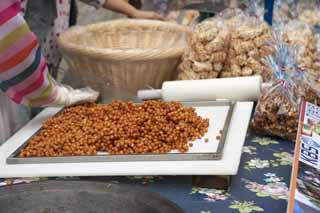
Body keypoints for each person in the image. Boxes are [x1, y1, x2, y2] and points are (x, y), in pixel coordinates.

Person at [0, 0, 163, 144]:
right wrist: (57, 95)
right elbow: (11, 47)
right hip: (12, 78)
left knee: (37, 126)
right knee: (18, 136)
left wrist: (133, 12)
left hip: (42, 65)